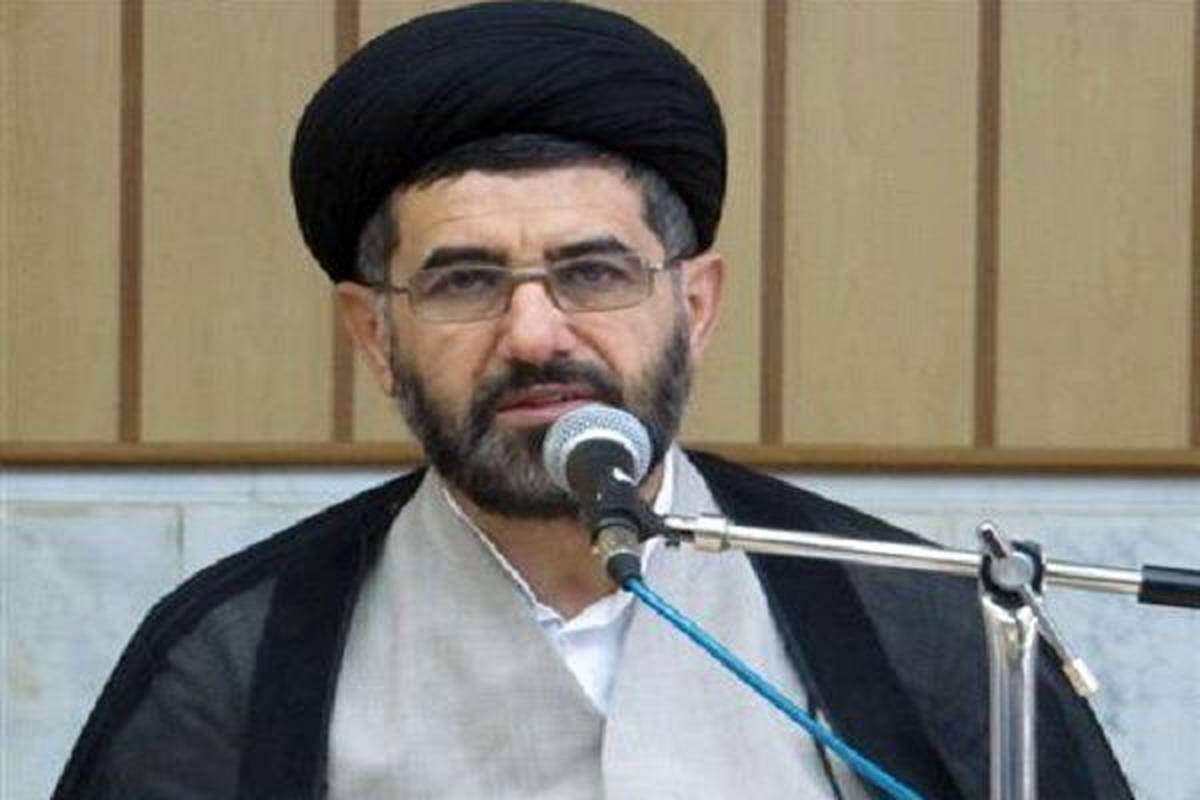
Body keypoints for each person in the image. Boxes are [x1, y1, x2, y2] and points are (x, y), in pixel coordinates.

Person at [55, 3, 1131, 798]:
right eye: (464, 282)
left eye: (594, 272)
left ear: (694, 307)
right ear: (375, 334)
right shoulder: (234, 657)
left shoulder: (918, 624)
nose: (534, 335)